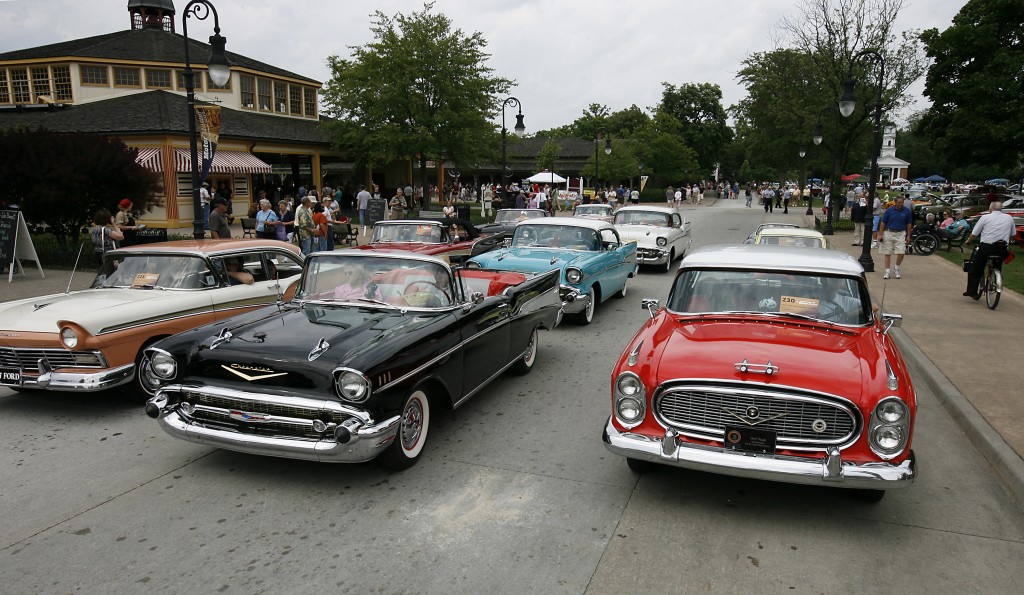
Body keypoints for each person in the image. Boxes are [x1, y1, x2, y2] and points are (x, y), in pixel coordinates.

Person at [963, 201, 1015, 299]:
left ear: (990, 209)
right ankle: (995, 278)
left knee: (976, 269)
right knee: (997, 264)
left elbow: (974, 233)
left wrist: (968, 241)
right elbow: (1013, 234)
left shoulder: (985, 217)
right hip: (1002, 249)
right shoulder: (1009, 218)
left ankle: (972, 291)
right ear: (1001, 209)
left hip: (986, 248)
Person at [878, 195, 913, 279]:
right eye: (899, 202)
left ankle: (896, 268)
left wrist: (908, 235)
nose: (901, 204)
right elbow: (883, 223)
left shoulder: (907, 211)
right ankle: (887, 271)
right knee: (887, 252)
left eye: (902, 202)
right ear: (895, 202)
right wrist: (881, 234)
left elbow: (909, 223)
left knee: (901, 252)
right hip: (889, 232)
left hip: (901, 233)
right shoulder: (889, 211)